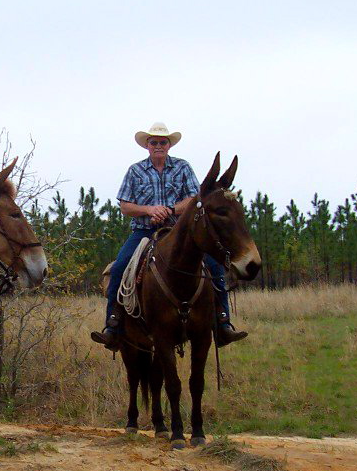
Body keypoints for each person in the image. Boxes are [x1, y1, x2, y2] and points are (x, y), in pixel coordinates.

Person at [90, 122, 248, 350]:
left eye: (162, 142)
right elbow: (125, 206)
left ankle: (223, 322)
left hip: (179, 231)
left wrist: (171, 210)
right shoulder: (135, 171)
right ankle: (113, 326)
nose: (158, 145)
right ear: (147, 145)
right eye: (154, 142)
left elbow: (195, 200)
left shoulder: (183, 168)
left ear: (169, 145)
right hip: (144, 232)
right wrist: (150, 210)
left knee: (213, 265)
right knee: (120, 268)